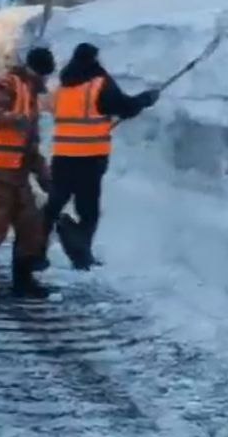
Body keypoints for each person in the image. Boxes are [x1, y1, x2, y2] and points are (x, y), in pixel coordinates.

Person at [41, 43, 158, 270]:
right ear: (94, 59)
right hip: (90, 157)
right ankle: (80, 251)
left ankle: (35, 252)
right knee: (88, 210)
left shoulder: (63, 87)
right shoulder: (99, 84)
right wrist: (146, 99)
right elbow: (125, 107)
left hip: (63, 156)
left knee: (53, 204)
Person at [0, 46, 55, 302]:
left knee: (31, 227)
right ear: (36, 71)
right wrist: (14, 118)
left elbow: (29, 144)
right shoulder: (9, 84)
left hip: (16, 174)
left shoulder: (30, 94)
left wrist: (43, 175)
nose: (46, 81)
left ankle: (23, 282)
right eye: (44, 75)